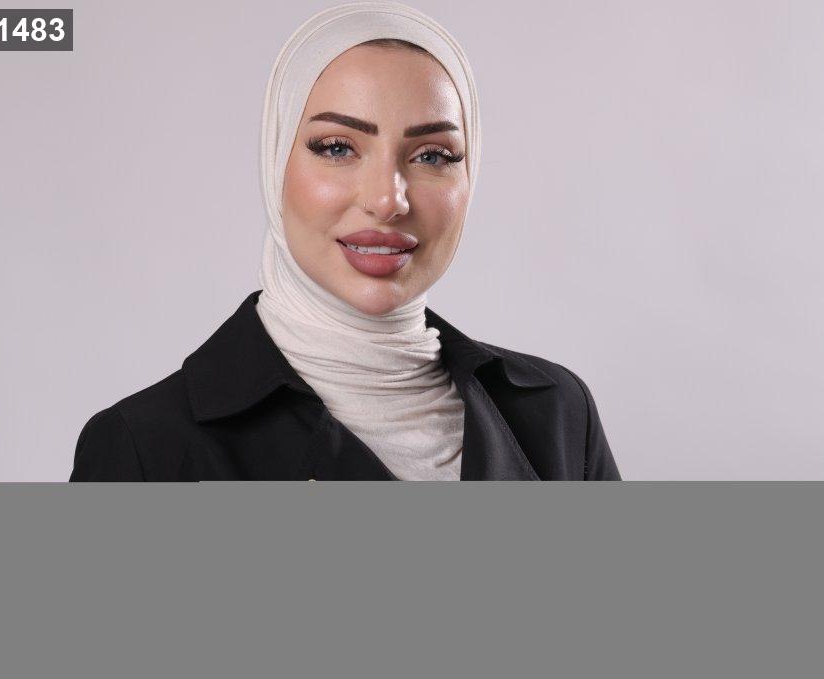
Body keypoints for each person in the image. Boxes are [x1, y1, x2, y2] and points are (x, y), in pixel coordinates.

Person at [69, 1, 620, 481]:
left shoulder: (558, 414)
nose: (387, 200)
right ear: (275, 162)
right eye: (337, 147)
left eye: (432, 155)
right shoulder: (146, 449)